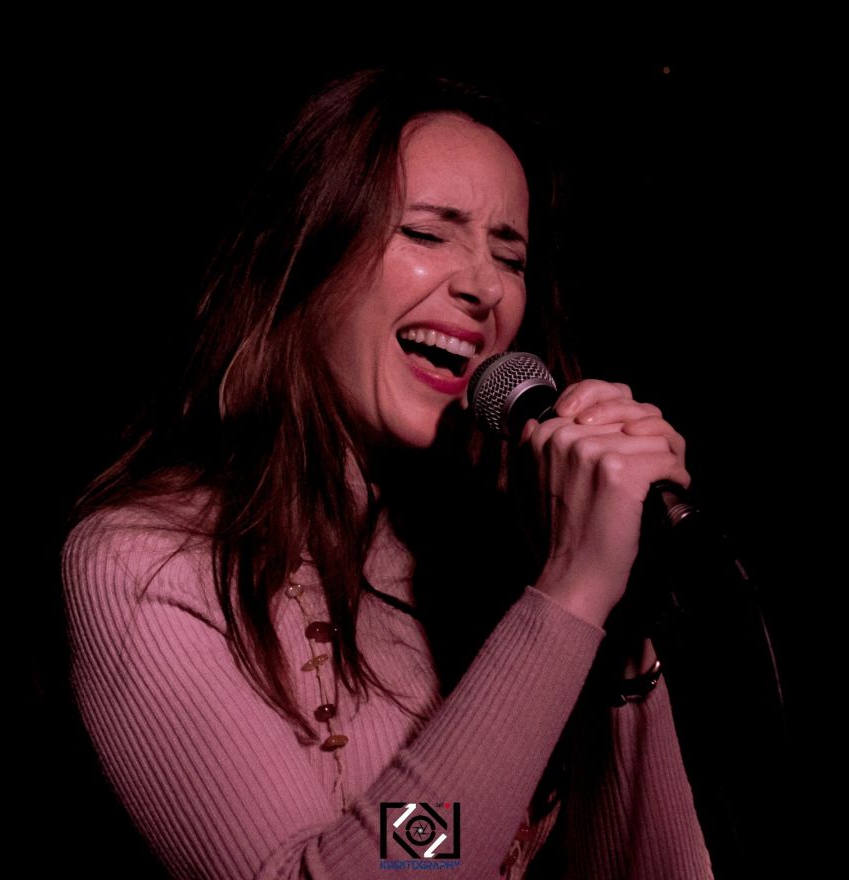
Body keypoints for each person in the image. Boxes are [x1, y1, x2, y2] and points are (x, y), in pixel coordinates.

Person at [62, 68, 714, 878]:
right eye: (429, 234)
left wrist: (620, 614)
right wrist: (570, 595)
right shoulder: (148, 563)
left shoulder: (490, 551)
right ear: (304, 258)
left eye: (508, 254)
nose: (482, 287)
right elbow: (399, 864)